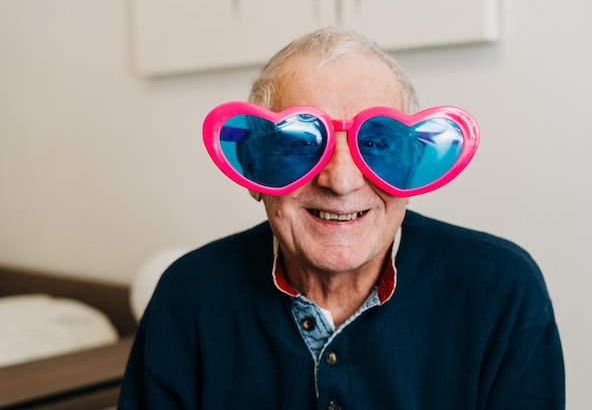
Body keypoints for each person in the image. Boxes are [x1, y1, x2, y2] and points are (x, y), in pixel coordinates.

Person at [118, 27, 565, 410]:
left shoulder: (501, 289)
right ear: (254, 171)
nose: (342, 180)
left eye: (377, 145)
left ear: (410, 169)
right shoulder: (188, 294)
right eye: (299, 144)